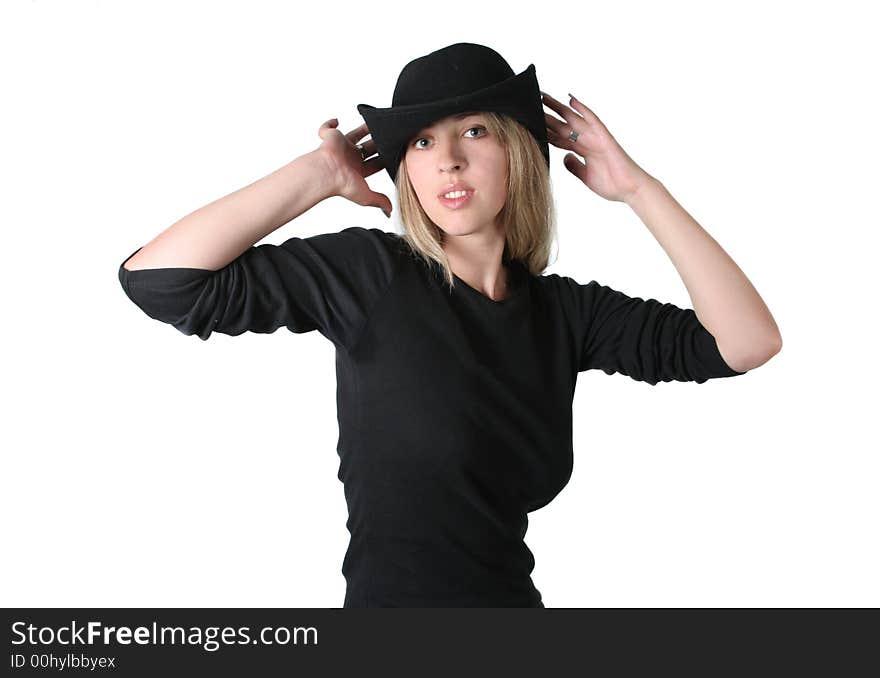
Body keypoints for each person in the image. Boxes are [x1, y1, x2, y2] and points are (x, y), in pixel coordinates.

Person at [118, 43, 782, 607]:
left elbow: (748, 343)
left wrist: (641, 189)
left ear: (520, 151)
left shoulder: (566, 314)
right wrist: (317, 173)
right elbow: (161, 280)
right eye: (423, 140)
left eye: (474, 131)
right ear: (406, 168)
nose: (448, 161)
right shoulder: (371, 275)